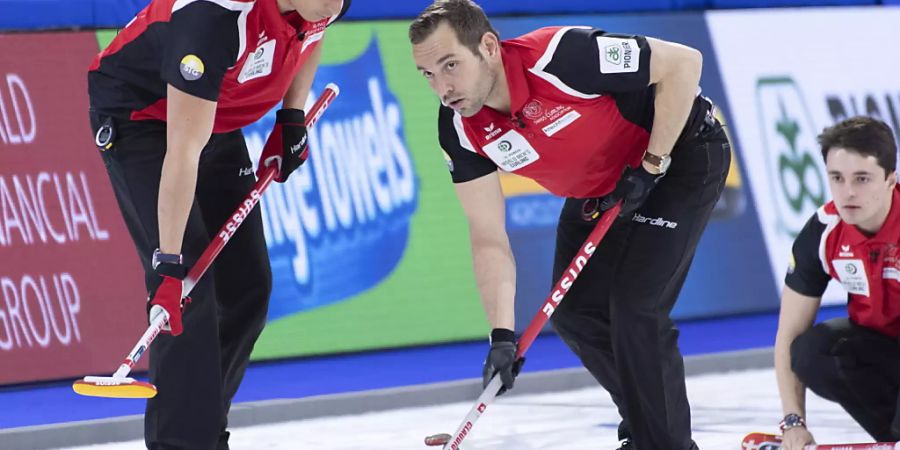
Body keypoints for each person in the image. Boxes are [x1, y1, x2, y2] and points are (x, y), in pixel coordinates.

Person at [409, 1, 730, 448]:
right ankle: (650, 431)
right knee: (576, 314)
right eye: (427, 75)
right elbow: (488, 236)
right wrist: (502, 335)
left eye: (450, 66)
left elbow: (683, 63)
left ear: (487, 47)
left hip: (679, 154)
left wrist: (653, 164)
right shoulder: (460, 129)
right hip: (600, 188)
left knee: (636, 308)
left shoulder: (561, 56)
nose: (443, 88)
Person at [86, 0, 349, 448]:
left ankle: (201, 431)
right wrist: (167, 266)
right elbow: (183, 152)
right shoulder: (210, 19)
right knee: (187, 294)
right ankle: (183, 443)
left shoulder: (322, 1)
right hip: (145, 119)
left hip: (214, 115)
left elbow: (314, 34)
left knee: (247, 288)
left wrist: (291, 116)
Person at [774, 116, 900, 449]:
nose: (848, 192)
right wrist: (793, 423)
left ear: (890, 179)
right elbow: (789, 333)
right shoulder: (823, 232)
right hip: (884, 346)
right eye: (837, 178)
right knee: (812, 352)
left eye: (862, 178)